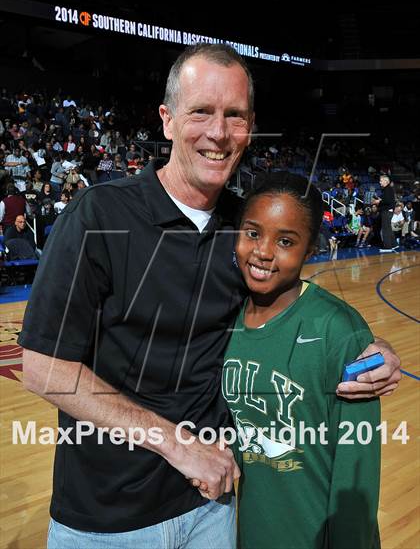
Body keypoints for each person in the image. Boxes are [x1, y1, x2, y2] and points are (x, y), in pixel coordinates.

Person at [19, 44, 400, 549]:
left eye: (234, 116)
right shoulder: (98, 217)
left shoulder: (247, 230)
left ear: (250, 126)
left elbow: (303, 305)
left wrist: (371, 352)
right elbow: (42, 366)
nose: (218, 132)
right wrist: (178, 445)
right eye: (201, 111)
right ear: (168, 120)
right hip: (106, 521)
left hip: (212, 510)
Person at [220, 172, 381, 548]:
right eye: (253, 232)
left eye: (286, 241)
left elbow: (356, 474)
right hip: (252, 532)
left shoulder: (340, 329)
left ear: (310, 250)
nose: (263, 251)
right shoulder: (226, 318)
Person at [372, 174, 396, 252]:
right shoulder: (388, 189)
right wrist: (380, 200)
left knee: (385, 229)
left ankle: (388, 247)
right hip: (388, 210)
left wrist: (378, 201)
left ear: (386, 181)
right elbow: (387, 200)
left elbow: (387, 201)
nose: (380, 182)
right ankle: (393, 244)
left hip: (387, 211)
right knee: (388, 228)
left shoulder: (387, 189)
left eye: (381, 180)